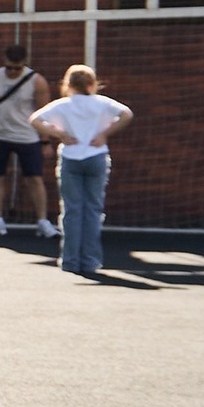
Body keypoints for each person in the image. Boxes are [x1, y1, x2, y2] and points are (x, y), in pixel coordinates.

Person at [35, 59, 131, 279]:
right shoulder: (102, 103)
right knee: (93, 210)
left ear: (68, 85)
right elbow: (126, 114)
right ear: (92, 84)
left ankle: (70, 260)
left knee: (72, 210)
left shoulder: (63, 104)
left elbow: (35, 119)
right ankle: (90, 260)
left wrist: (59, 134)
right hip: (96, 157)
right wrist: (105, 134)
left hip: (71, 157)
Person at [0, 41, 51, 241]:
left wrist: (45, 141)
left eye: (17, 68)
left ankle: (42, 221)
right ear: (4, 62)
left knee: (34, 178)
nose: (13, 72)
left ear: (24, 63)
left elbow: (45, 113)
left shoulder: (37, 81)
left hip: (27, 136)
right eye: (9, 68)